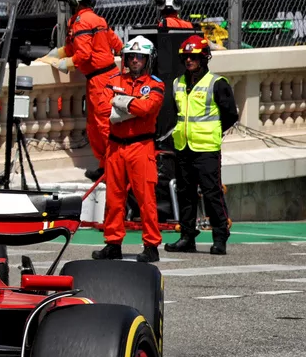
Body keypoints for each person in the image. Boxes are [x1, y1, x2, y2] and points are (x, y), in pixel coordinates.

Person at [38, 0, 123, 181]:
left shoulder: (82, 22)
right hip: (103, 79)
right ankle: (106, 166)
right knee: (96, 126)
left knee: (102, 126)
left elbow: (82, 55)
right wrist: (58, 53)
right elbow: (117, 45)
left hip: (101, 81)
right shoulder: (97, 20)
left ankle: (111, 169)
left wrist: (64, 63)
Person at [92, 37, 165, 263]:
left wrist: (121, 102)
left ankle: (151, 245)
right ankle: (113, 244)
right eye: (131, 57)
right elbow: (103, 109)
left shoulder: (155, 84)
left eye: (139, 57)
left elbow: (148, 107)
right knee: (113, 199)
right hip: (115, 145)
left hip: (141, 146)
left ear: (147, 59)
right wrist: (133, 103)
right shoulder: (113, 79)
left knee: (146, 199)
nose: (134, 60)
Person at [165, 35, 239, 255]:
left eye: (194, 56)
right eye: (186, 57)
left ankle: (219, 237)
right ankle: (187, 237)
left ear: (204, 57)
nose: (189, 60)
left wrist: (213, 132)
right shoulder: (177, 83)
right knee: (185, 193)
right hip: (183, 147)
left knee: (211, 193)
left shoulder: (217, 83)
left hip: (206, 148)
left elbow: (230, 115)